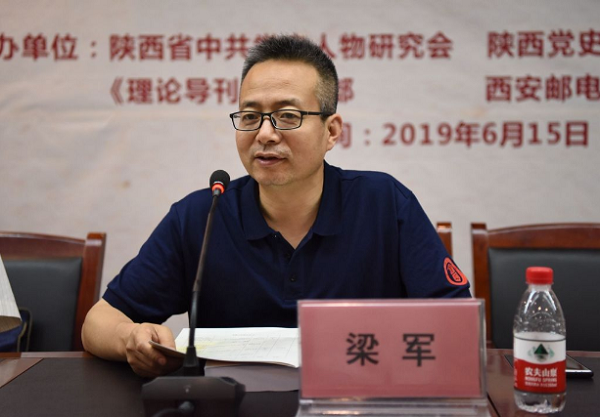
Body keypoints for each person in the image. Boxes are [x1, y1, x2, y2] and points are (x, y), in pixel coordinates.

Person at [81, 35, 471, 378]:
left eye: (287, 116)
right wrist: (131, 337)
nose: (265, 134)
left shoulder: (384, 204)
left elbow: (459, 324)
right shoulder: (202, 215)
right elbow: (99, 322)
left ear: (331, 131)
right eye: (250, 116)